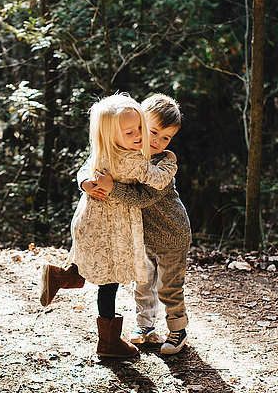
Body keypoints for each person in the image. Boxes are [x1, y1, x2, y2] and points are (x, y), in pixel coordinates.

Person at [40, 93, 178, 358]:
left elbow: (85, 166)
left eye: (140, 128)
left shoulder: (103, 151)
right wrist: (170, 161)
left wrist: (83, 182)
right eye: (131, 132)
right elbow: (158, 180)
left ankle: (62, 276)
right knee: (109, 281)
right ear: (112, 134)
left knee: (97, 265)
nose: (140, 136)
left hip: (89, 221)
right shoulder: (133, 160)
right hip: (113, 227)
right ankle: (108, 344)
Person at [83, 93, 191, 355]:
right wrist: (85, 181)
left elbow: (142, 198)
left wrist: (111, 188)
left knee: (169, 287)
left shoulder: (163, 166)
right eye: (151, 131)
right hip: (139, 236)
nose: (156, 141)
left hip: (170, 235)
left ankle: (178, 330)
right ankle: (145, 326)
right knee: (142, 284)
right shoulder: (126, 152)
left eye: (165, 138)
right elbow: (92, 162)